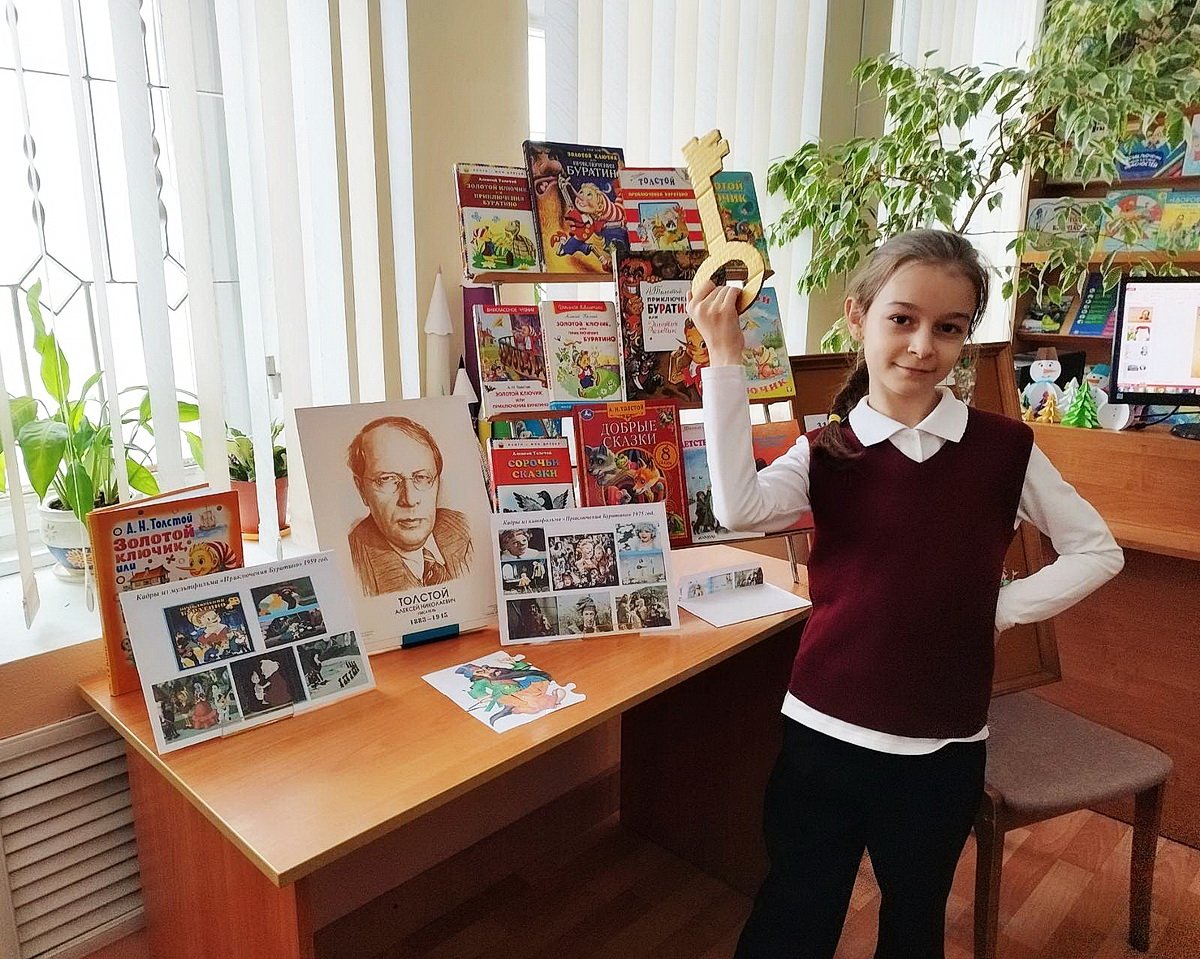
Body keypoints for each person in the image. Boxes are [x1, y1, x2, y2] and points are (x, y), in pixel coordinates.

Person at [689, 229, 1124, 959]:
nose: (923, 346)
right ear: (857, 317)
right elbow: (738, 509)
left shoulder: (1003, 449)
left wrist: (998, 609)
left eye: (948, 328)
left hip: (942, 746)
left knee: (914, 922)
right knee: (794, 913)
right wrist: (725, 360)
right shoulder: (826, 451)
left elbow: (1097, 549)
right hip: (822, 733)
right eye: (902, 319)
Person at [346, 416, 473, 596]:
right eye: (387, 479)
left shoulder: (465, 528)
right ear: (362, 489)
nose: (409, 499)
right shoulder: (351, 564)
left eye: (421, 477)